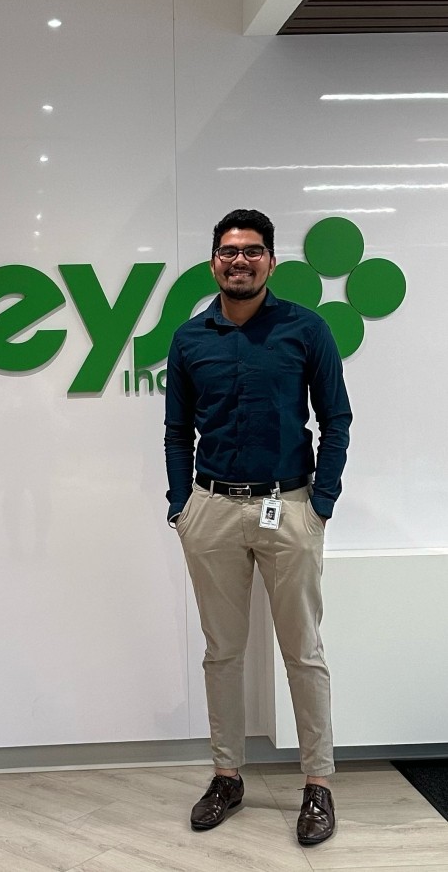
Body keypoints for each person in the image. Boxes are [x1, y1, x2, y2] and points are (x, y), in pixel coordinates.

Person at [164, 208, 351, 846]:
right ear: (213, 261)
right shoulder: (190, 340)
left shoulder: (307, 329)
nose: (238, 260)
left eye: (251, 251)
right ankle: (227, 775)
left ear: (270, 260)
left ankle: (318, 785)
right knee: (223, 652)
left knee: (303, 652)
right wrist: (179, 504)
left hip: (289, 506)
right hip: (212, 510)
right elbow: (176, 429)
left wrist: (320, 501)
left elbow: (337, 418)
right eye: (227, 251)